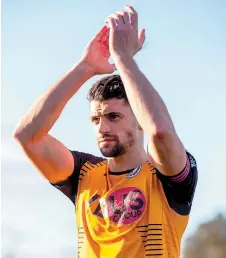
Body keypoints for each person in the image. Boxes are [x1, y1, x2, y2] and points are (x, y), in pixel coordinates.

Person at [13, 5, 198, 258]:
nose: (102, 127)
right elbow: (27, 136)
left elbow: (161, 133)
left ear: (139, 120)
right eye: (95, 119)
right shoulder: (83, 174)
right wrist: (85, 67)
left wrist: (123, 59)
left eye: (113, 116)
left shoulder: (164, 175)